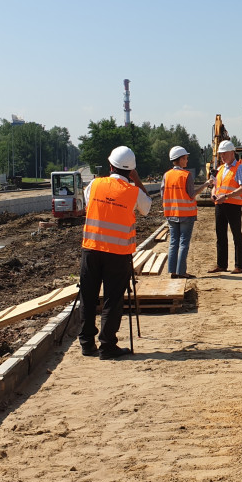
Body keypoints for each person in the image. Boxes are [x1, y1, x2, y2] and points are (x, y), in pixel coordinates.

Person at [79, 146, 152, 360]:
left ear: (110, 166)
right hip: (118, 254)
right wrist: (136, 181)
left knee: (88, 296)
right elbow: (146, 208)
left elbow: (87, 201)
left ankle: (86, 343)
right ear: (131, 171)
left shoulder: (95, 184)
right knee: (112, 299)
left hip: (91, 249)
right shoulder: (133, 191)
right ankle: (107, 345)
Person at [161, 145, 211, 279]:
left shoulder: (166, 175)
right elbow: (191, 194)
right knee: (183, 243)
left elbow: (162, 194)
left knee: (173, 242)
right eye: (185, 158)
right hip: (186, 215)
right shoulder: (186, 175)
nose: (187, 161)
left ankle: (173, 271)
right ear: (180, 159)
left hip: (171, 214)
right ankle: (181, 271)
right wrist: (206, 184)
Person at [207, 140, 242, 274]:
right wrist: (214, 194)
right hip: (220, 205)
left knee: (236, 235)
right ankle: (221, 264)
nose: (222, 157)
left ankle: (238, 265)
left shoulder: (239, 168)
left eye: (224, 154)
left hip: (233, 205)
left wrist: (227, 196)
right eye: (221, 154)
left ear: (232, 153)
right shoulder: (220, 169)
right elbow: (215, 186)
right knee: (221, 235)